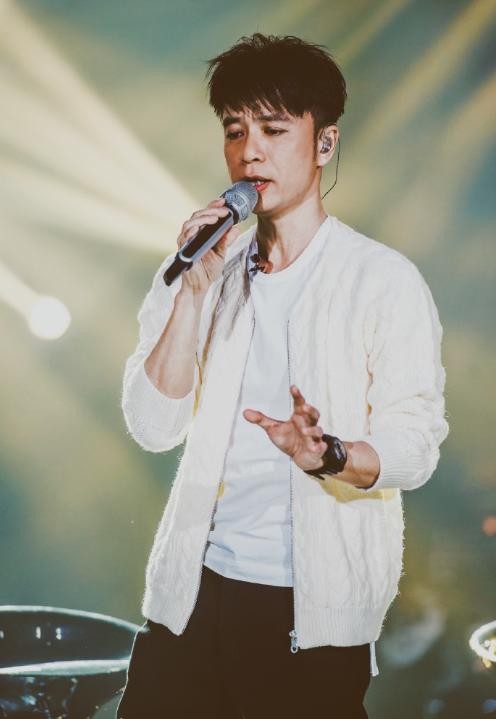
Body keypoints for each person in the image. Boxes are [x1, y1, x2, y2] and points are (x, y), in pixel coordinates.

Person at [116, 33, 449, 719]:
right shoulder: (202, 269)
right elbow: (152, 426)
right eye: (234, 130)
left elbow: (415, 446)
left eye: (273, 129)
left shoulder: (381, 280)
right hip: (191, 597)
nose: (250, 152)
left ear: (324, 143)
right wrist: (190, 294)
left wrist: (328, 453)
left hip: (308, 613)